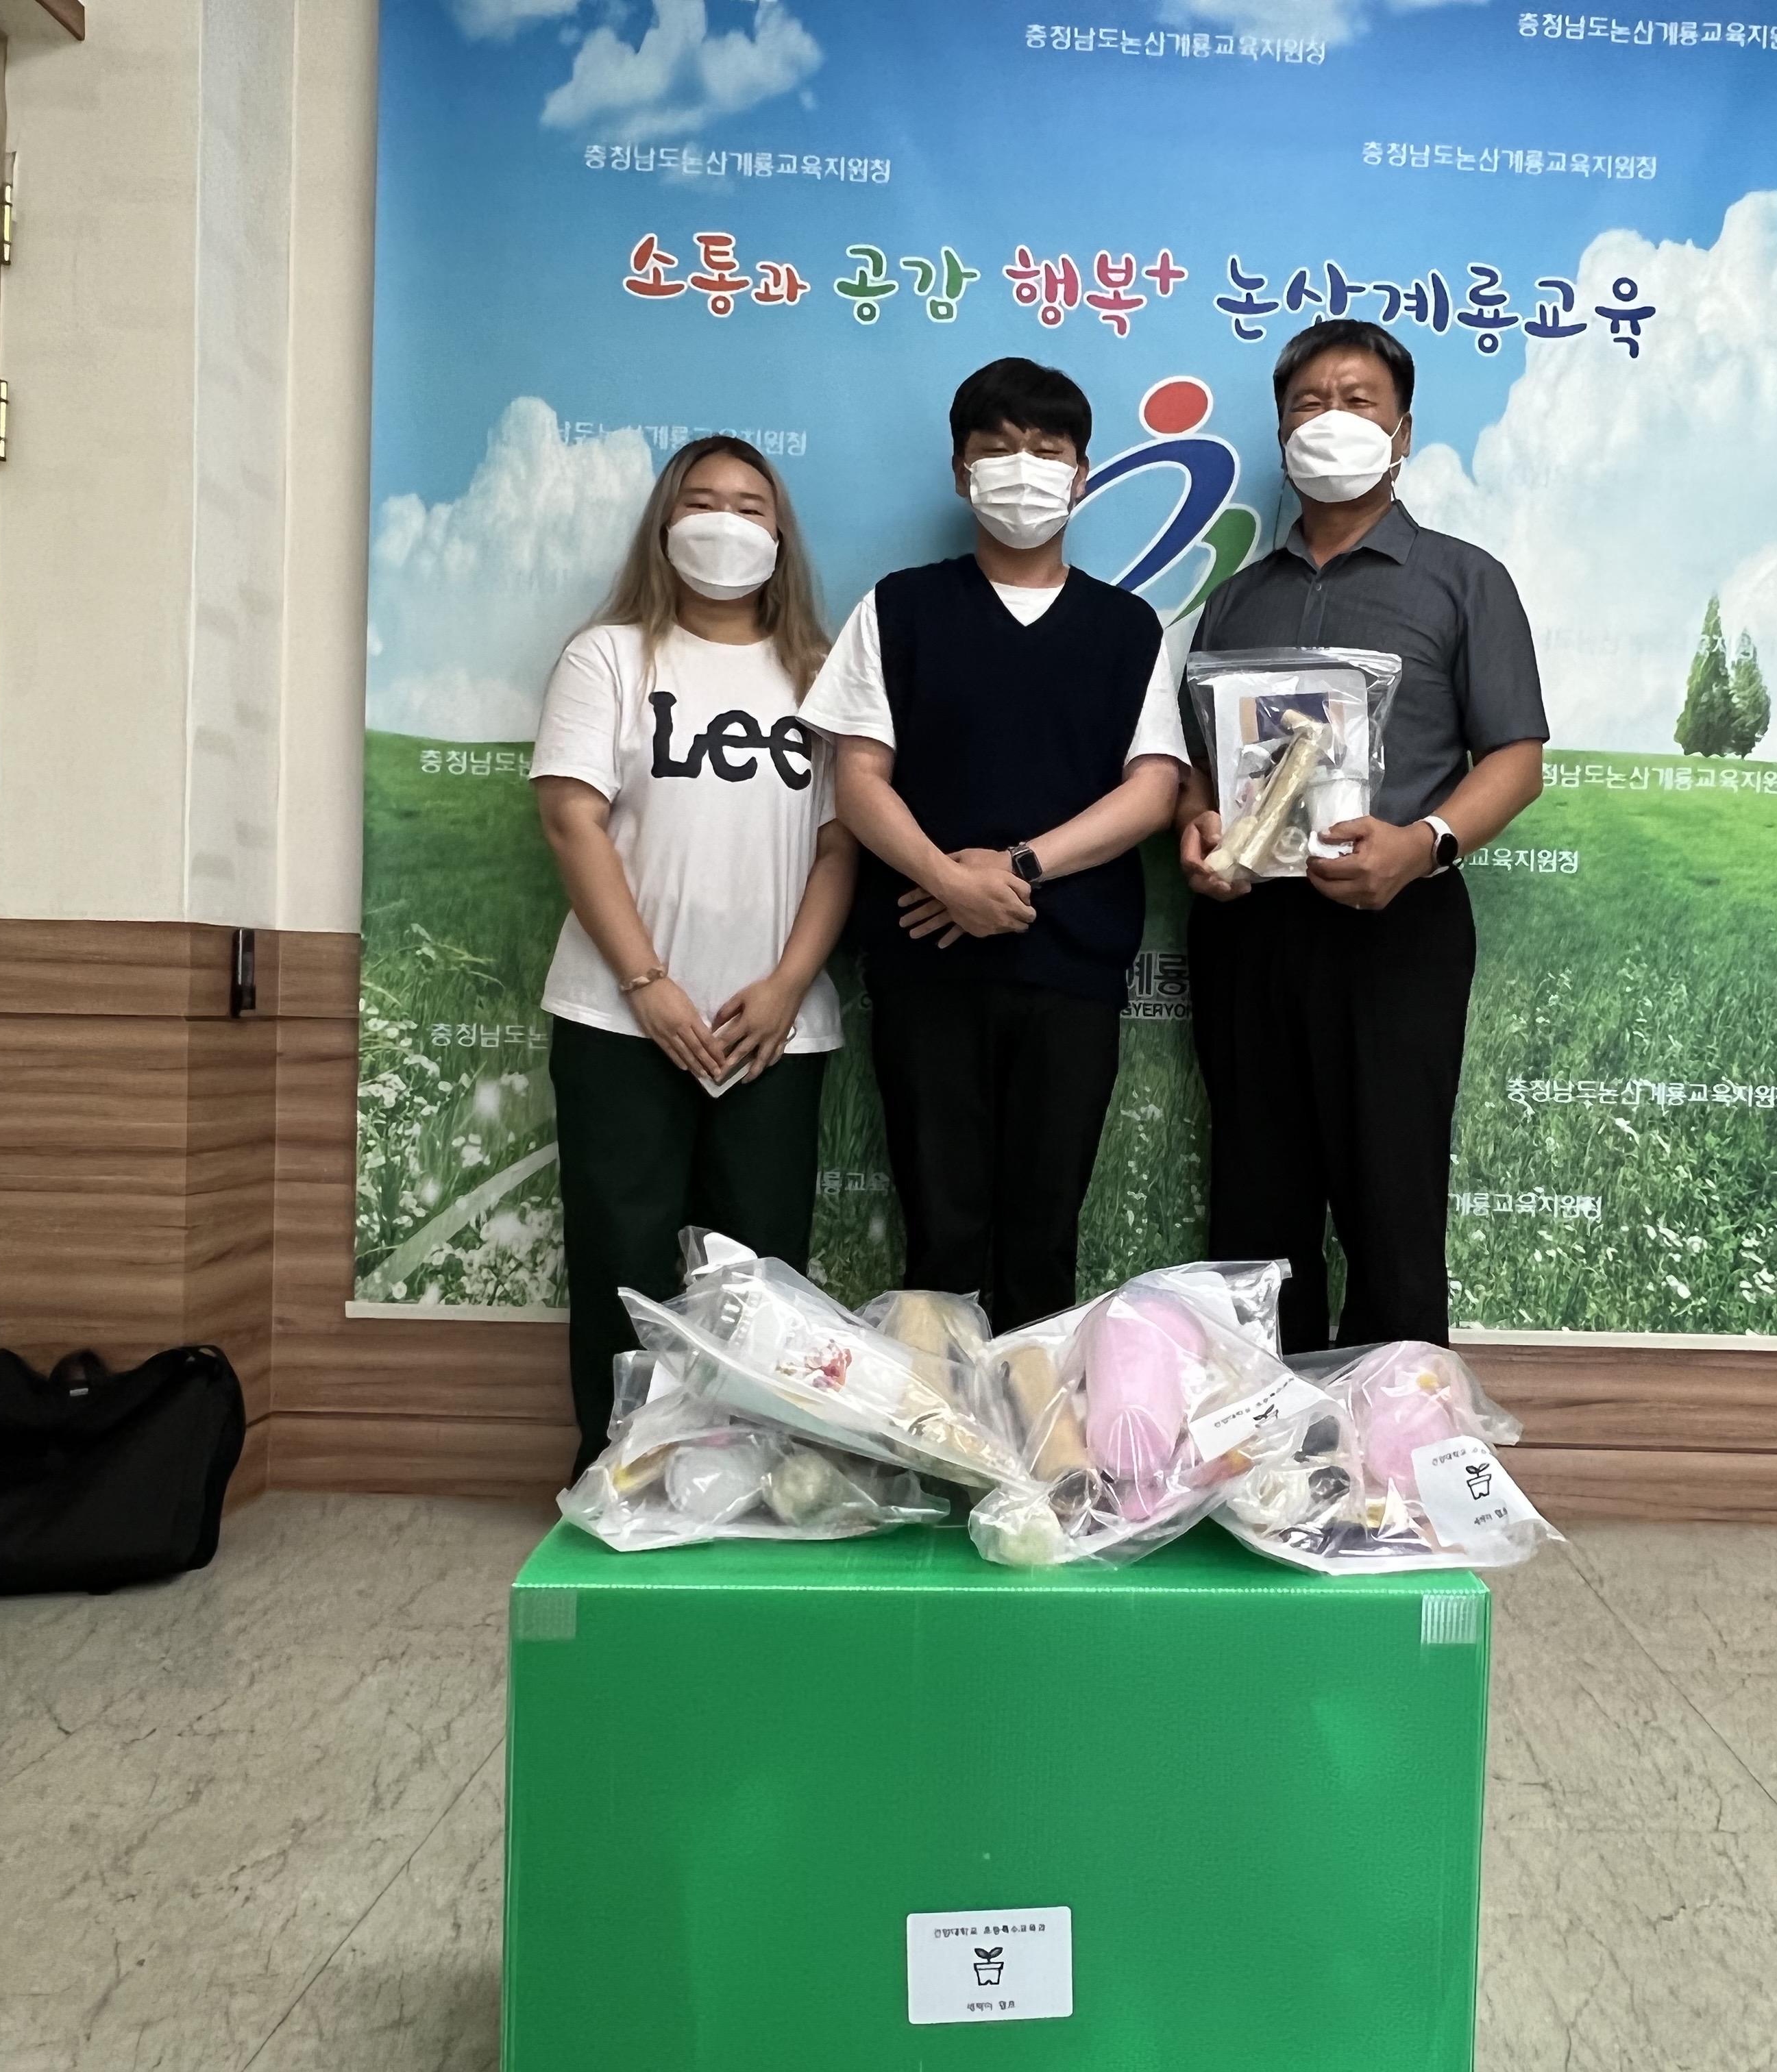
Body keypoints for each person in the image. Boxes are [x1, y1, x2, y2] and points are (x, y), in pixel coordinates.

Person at [1178, 320, 1549, 1354]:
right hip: (1251, 931)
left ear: (1403, 431)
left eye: (1358, 400)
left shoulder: (1463, 581)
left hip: (1399, 924)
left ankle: (1398, 1433)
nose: (1331, 419)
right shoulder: (1236, 601)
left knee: (1393, 1206)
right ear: (1281, 433)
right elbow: (1200, 770)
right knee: (1256, 1207)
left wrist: (1423, 845)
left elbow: (1516, 760)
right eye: (1309, 403)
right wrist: (1199, 828)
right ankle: (1266, 1434)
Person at [809, 358, 1186, 1330]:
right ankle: (939, 1420)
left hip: (1071, 972)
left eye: (1046, 451)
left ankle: (1030, 1425)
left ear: (1082, 475)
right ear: (960, 470)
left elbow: (1153, 790)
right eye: (999, 449)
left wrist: (1014, 868)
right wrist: (945, 879)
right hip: (924, 962)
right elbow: (858, 780)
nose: (1024, 469)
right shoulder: (899, 608)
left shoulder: (1129, 628)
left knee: (1042, 1236)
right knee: (940, 1232)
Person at [530, 434, 856, 1471]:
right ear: (665, 525)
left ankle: (747, 1478)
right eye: (701, 502)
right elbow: (572, 819)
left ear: (781, 534)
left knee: (760, 1275)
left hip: (773, 1029)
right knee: (621, 1262)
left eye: (751, 507)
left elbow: (842, 845)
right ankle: (617, 1475)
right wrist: (648, 984)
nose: (726, 523)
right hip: (619, 1019)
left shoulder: (824, 674)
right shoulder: (609, 656)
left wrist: (790, 985)